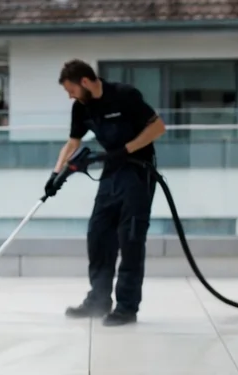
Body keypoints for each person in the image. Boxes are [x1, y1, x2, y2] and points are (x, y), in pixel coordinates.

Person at [45, 59, 167, 326]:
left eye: (71, 90)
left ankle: (126, 307)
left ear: (85, 82)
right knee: (98, 234)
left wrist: (127, 149)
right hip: (111, 173)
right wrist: (55, 175)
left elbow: (158, 127)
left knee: (130, 239)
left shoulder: (124, 95)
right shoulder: (81, 107)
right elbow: (73, 143)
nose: (70, 96)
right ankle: (98, 300)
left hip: (138, 172)